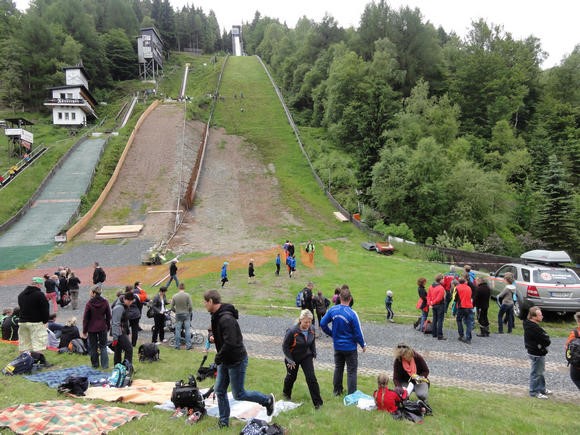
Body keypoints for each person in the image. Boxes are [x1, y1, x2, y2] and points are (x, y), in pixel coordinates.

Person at [203, 289, 275, 428]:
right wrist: (213, 338)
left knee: (239, 394)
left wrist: (218, 357)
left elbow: (232, 343)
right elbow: (217, 331)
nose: (204, 305)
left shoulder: (226, 319)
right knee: (219, 390)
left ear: (211, 301)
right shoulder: (216, 315)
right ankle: (223, 423)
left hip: (236, 361)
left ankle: (267, 400)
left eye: (205, 302)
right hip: (225, 359)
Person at [320, 285, 366, 396]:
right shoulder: (352, 314)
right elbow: (357, 332)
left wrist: (332, 334)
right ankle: (351, 394)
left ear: (339, 298)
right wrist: (363, 344)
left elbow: (322, 323)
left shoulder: (332, 310)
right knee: (351, 371)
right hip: (350, 347)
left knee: (338, 368)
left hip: (338, 346)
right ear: (350, 299)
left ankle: (337, 391)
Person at [282, 309, 323, 408]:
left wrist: (313, 353)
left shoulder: (312, 329)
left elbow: (312, 341)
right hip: (293, 357)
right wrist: (290, 360)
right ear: (300, 320)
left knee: (311, 378)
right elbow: (285, 346)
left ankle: (318, 403)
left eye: (309, 321)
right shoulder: (292, 331)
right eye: (306, 322)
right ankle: (286, 394)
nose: (308, 324)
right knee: (291, 377)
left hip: (306, 356)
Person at [18, 277, 50, 360]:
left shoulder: (21, 295)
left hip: (22, 322)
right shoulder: (39, 295)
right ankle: (38, 361)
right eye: (41, 285)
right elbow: (45, 310)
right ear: (38, 284)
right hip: (35, 323)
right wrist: (45, 321)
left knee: (24, 343)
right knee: (38, 343)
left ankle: (23, 361)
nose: (41, 286)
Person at [523, 306, 551, 399]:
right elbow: (546, 340)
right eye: (540, 315)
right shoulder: (534, 328)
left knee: (540, 372)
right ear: (533, 317)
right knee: (536, 373)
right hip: (537, 353)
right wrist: (545, 339)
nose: (542, 316)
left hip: (536, 351)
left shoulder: (530, 324)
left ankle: (542, 389)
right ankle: (534, 392)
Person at [82, 285, 111, 369]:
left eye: (91, 291)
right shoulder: (105, 302)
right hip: (102, 327)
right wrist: (108, 326)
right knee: (103, 346)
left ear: (94, 293)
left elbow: (85, 318)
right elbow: (109, 316)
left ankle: (95, 365)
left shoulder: (89, 303)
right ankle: (105, 365)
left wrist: (84, 330)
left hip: (92, 328)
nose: (90, 293)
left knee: (93, 347)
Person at [111, 291, 135, 365]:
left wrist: (127, 332)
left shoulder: (124, 305)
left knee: (118, 350)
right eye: (130, 302)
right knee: (129, 349)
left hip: (122, 331)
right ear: (125, 299)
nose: (130, 303)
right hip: (118, 332)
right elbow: (115, 323)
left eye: (132, 302)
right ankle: (127, 367)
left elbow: (125, 321)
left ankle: (117, 367)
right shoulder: (119, 308)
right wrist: (115, 337)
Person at [171, 283, 193, 350]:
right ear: (184, 288)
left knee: (177, 330)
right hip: (186, 314)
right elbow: (191, 306)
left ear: (179, 288)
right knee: (187, 330)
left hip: (178, 315)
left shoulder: (174, 296)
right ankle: (188, 345)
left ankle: (177, 346)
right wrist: (189, 312)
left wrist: (175, 311)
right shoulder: (187, 295)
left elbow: (171, 307)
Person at [454, 277, 474, 344]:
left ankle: (461, 335)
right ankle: (468, 338)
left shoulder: (457, 288)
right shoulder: (469, 288)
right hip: (469, 306)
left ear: (459, 282)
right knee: (469, 323)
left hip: (462, 306)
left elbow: (455, 298)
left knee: (459, 320)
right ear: (465, 282)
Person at [427, 274, 446, 340]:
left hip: (433, 305)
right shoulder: (441, 288)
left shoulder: (431, 286)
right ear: (440, 280)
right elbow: (439, 298)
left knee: (435, 319)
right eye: (443, 279)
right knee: (440, 320)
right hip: (440, 305)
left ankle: (434, 333)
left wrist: (430, 303)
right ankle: (440, 335)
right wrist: (432, 302)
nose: (444, 280)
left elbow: (428, 296)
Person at [566, 312, 580, 389]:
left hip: (577, 364)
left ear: (577, 321)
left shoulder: (575, 333)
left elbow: (567, 347)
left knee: (575, 378)